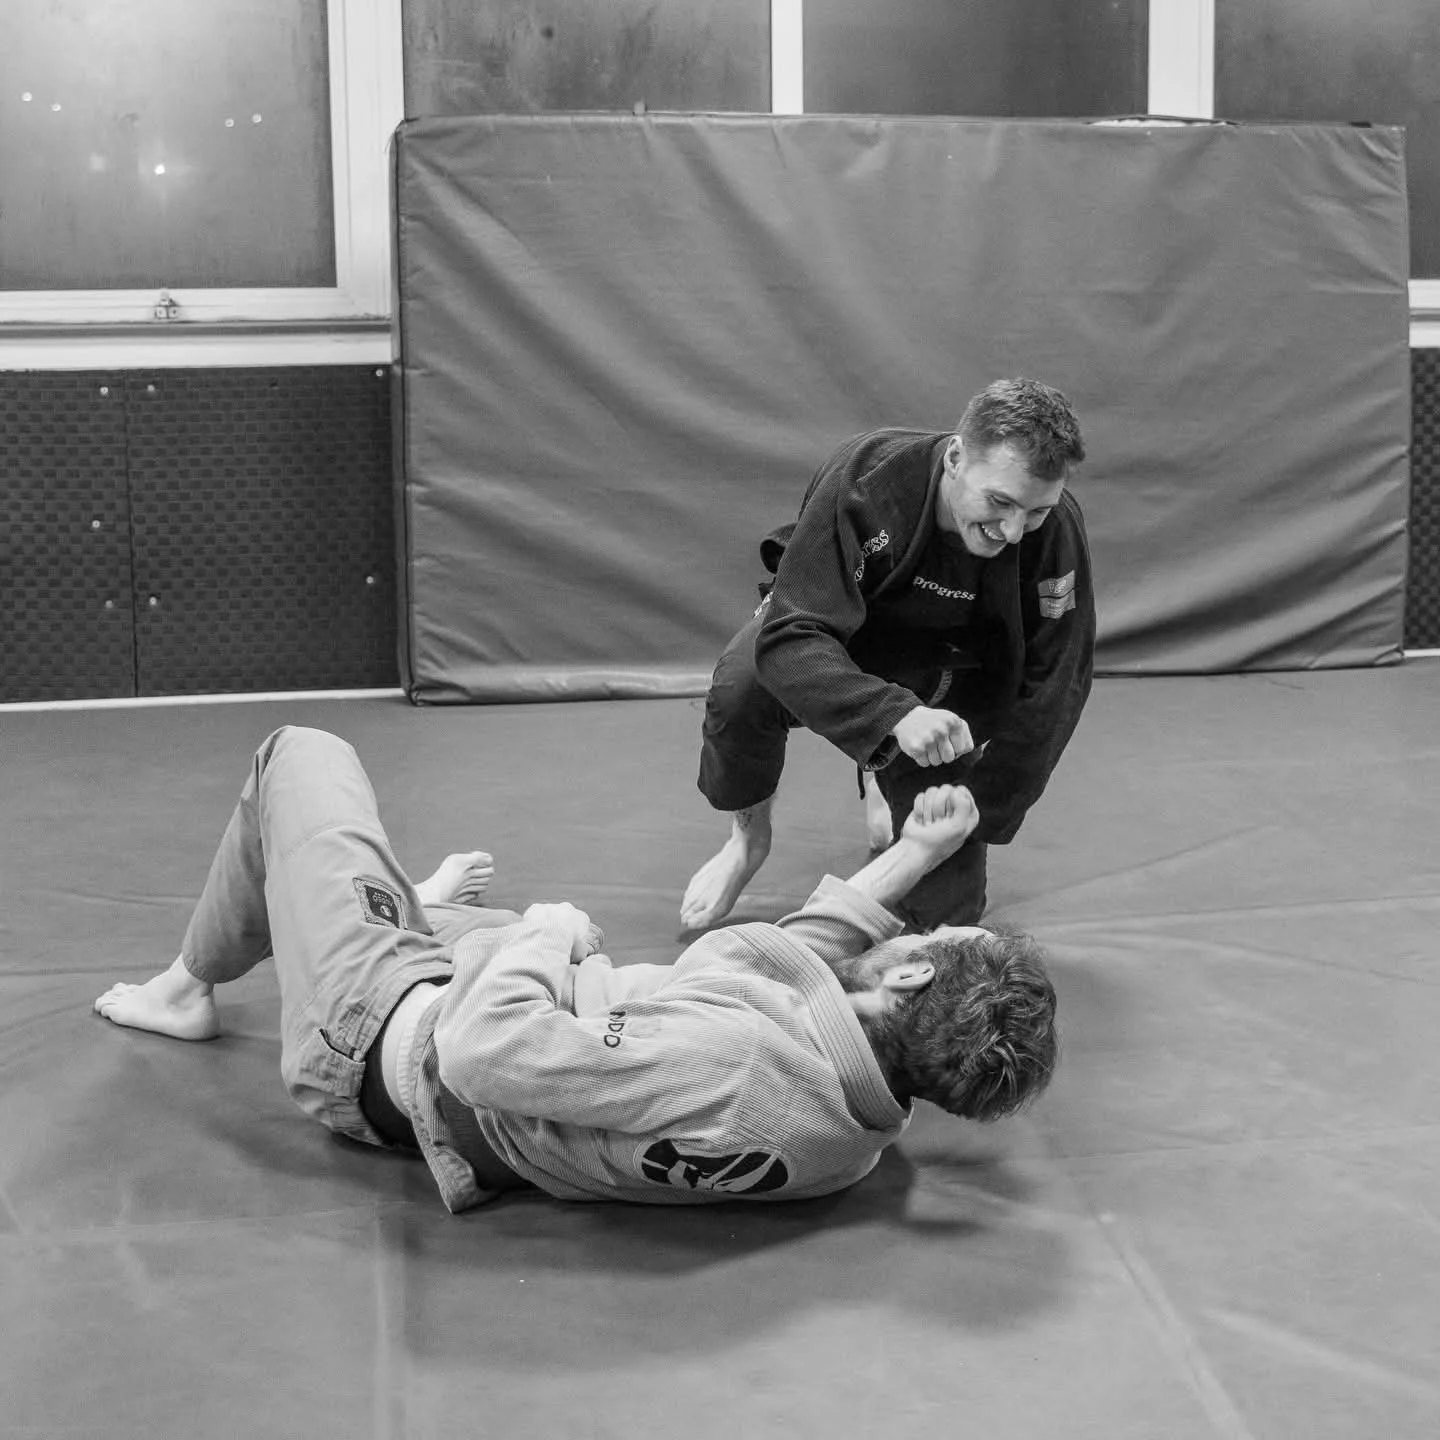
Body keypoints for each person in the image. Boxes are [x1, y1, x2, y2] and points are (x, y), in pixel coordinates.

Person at [94, 726, 1059, 1211]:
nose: (912, 934)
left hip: (381, 1040)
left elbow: (481, 1050)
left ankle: (188, 988)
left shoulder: (730, 1058)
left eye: (926, 940)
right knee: (474, 918)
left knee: (301, 759)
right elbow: (803, 966)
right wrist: (915, 859)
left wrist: (549, 930)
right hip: (522, 1021)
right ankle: (432, 916)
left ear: (911, 980)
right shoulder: (850, 1137)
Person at [682, 376, 1094, 935]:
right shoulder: (865, 480)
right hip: (842, 642)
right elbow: (790, 636)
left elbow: (1057, 683)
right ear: (955, 458)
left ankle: (880, 769)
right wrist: (892, 717)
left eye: (1036, 511)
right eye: (998, 502)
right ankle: (747, 841)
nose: (1014, 530)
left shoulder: (1056, 531)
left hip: (946, 681)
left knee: (947, 919)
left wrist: (981, 801)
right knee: (742, 685)